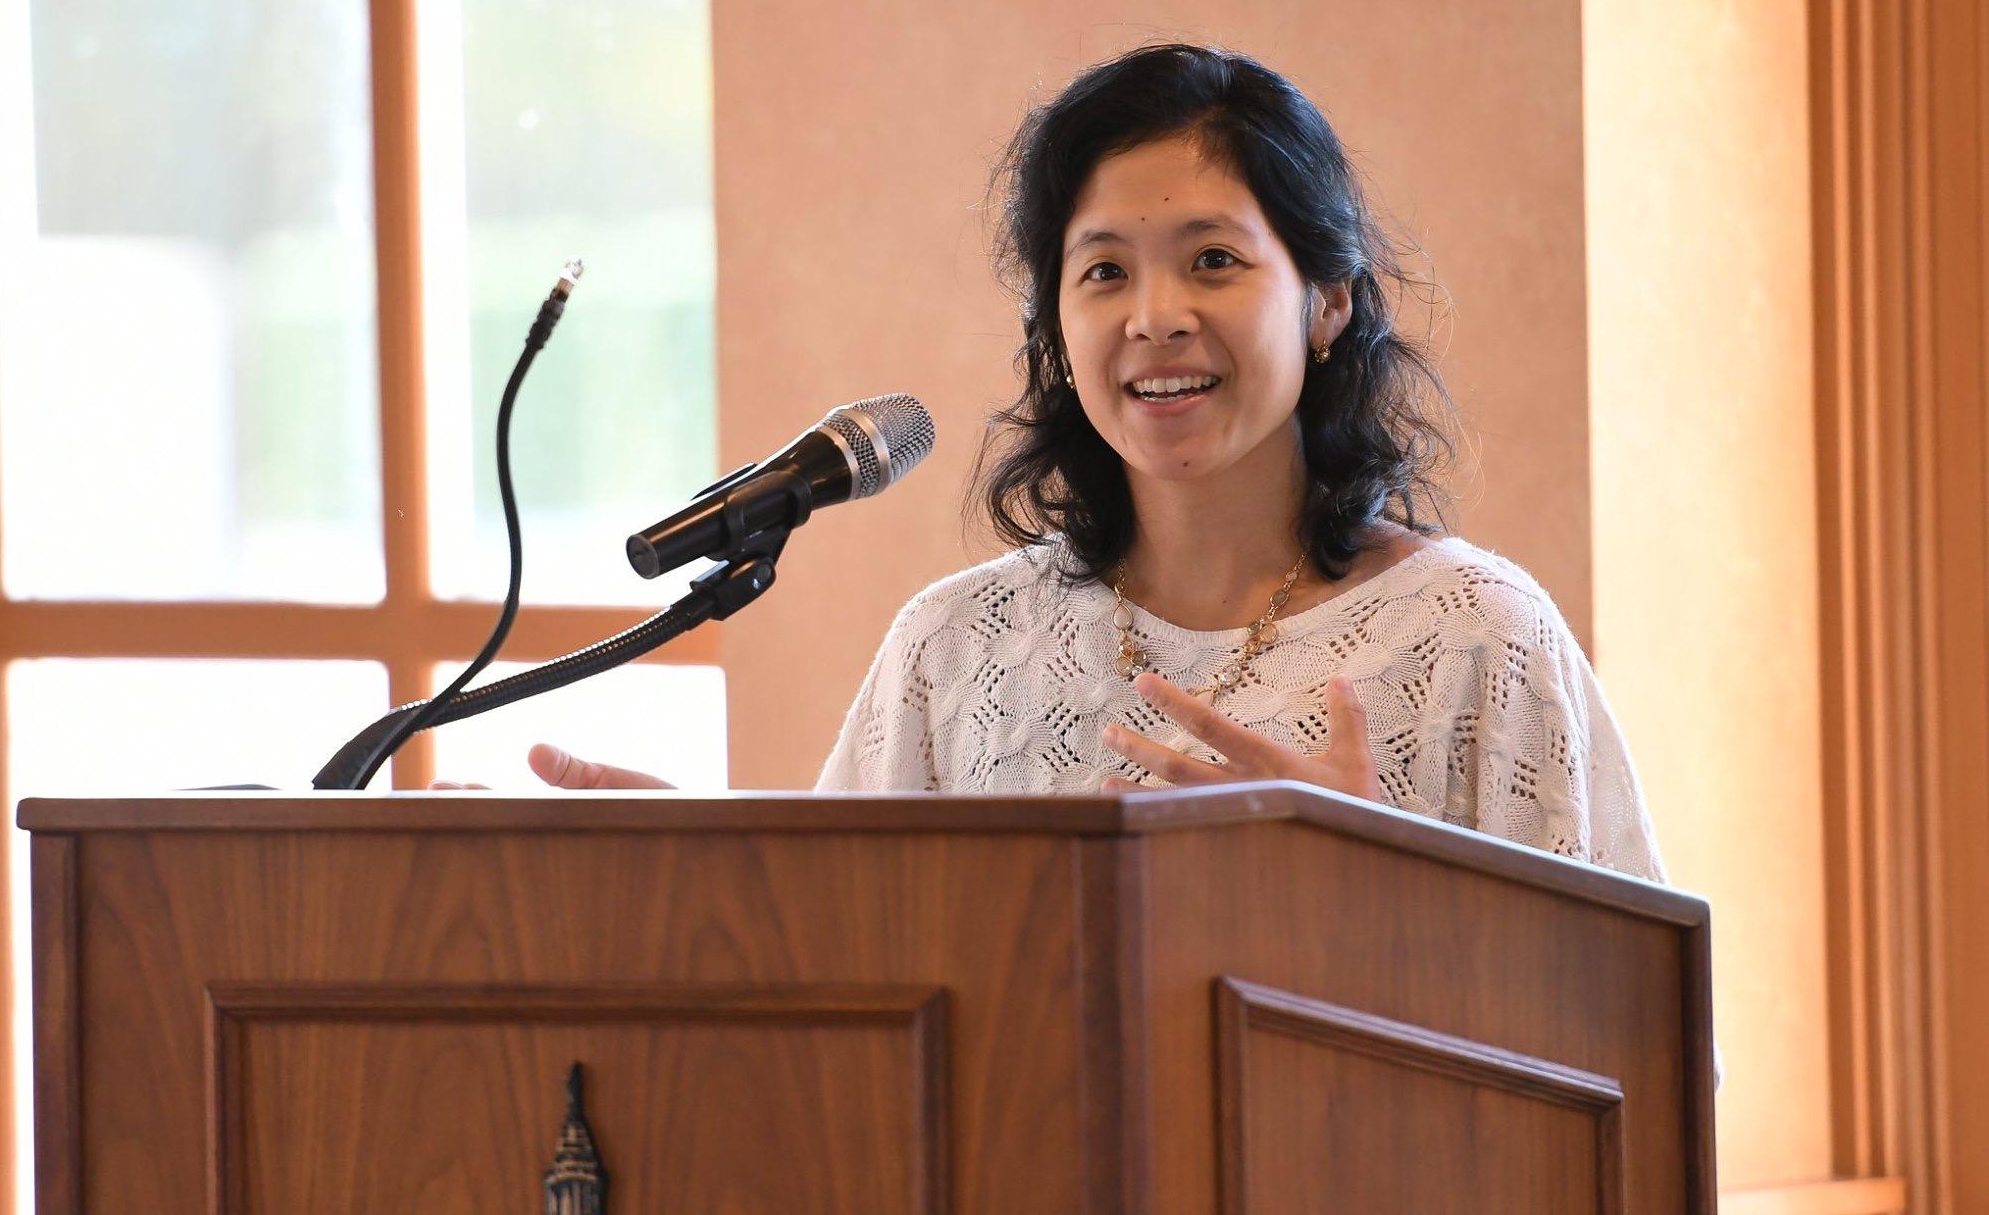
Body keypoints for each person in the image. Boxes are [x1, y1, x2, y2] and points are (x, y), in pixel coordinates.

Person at [452, 44, 1667, 885]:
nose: (1153, 316)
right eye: (1101, 271)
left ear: (1328, 301)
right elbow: (858, 982)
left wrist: (1377, 889)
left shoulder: (1477, 639)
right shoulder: (954, 646)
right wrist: (713, 892)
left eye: (1211, 261)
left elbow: (1637, 1051)